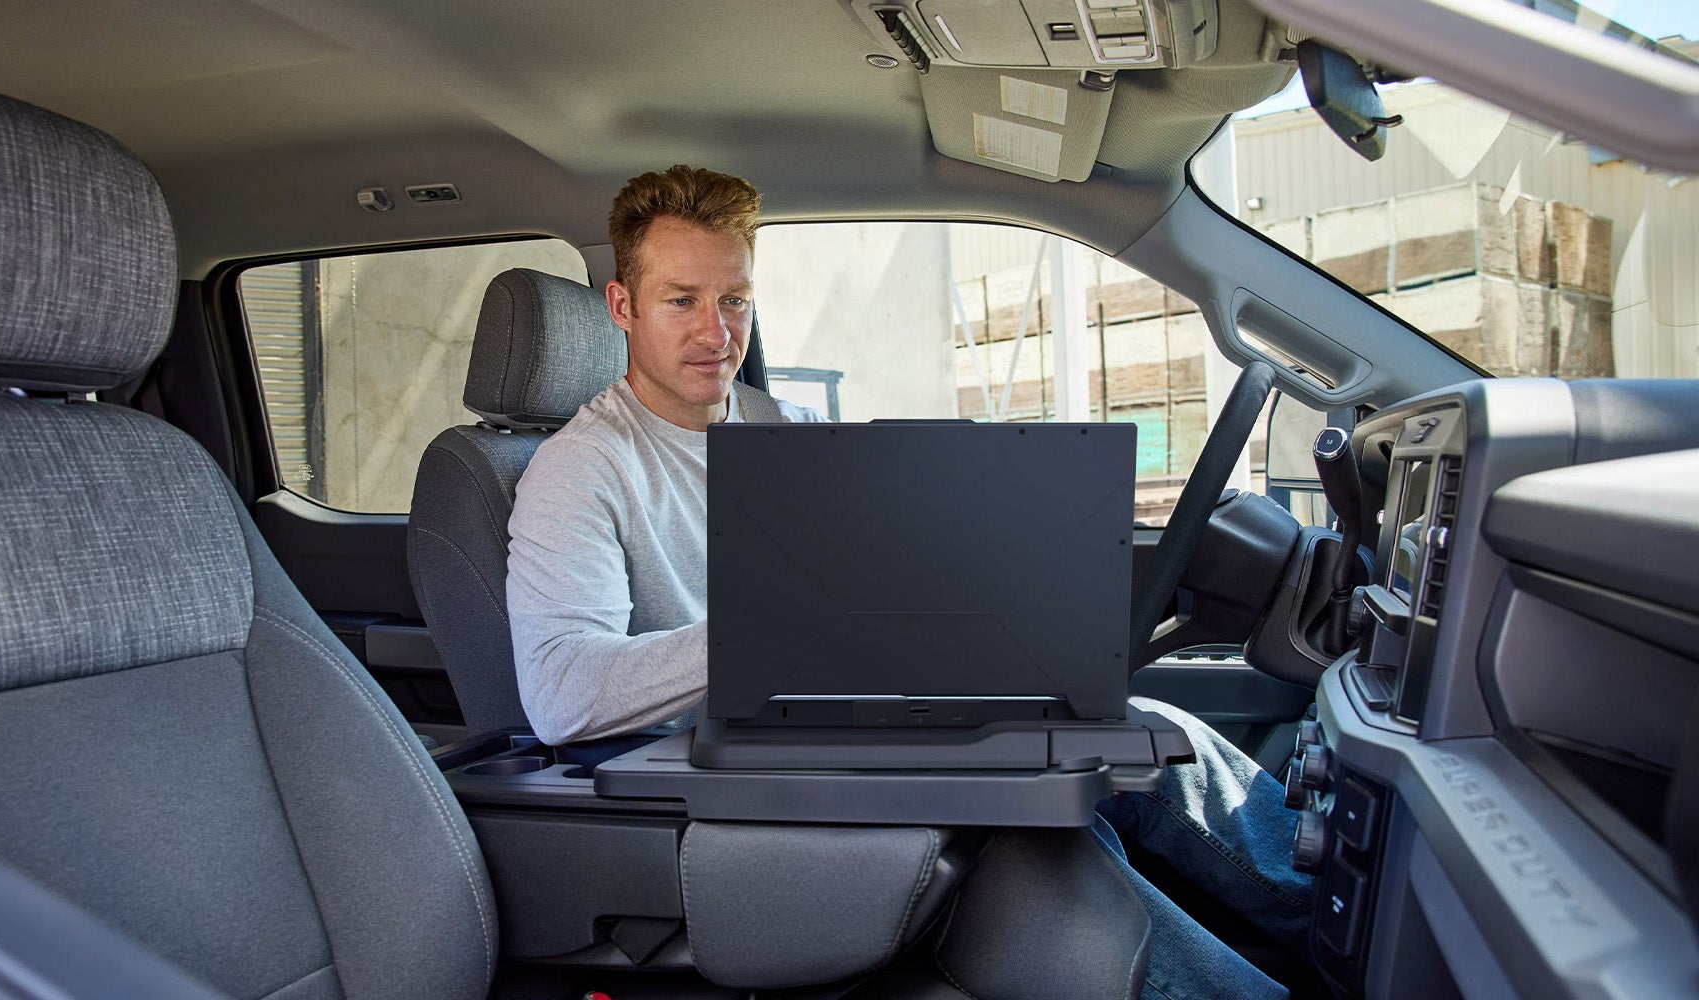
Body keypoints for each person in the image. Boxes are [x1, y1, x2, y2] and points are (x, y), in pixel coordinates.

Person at [506, 164, 1311, 1000]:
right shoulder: (582, 469)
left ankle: (1343, 934)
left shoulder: (781, 428)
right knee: (1045, 845)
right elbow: (563, 691)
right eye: (682, 301)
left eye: (735, 300)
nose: (717, 332)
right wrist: (785, 629)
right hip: (728, 785)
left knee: (1139, 736)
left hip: (840, 727)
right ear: (622, 307)